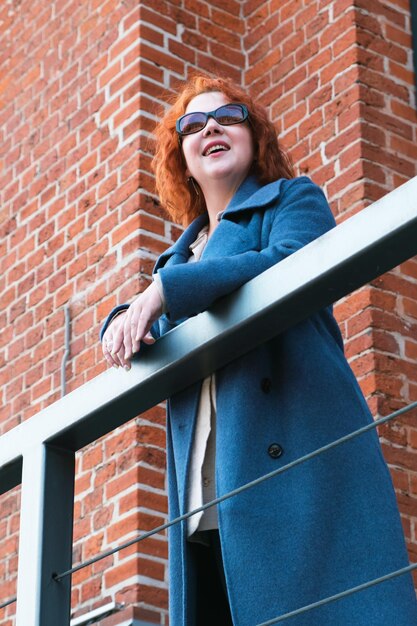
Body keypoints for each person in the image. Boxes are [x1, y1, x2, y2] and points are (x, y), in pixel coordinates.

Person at [100, 75, 417, 626]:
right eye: (193, 125)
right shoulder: (176, 262)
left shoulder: (293, 200)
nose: (211, 128)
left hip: (296, 483)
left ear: (255, 136)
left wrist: (163, 295)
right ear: (183, 159)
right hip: (206, 516)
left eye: (229, 116)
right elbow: (158, 310)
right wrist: (124, 318)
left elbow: (286, 265)